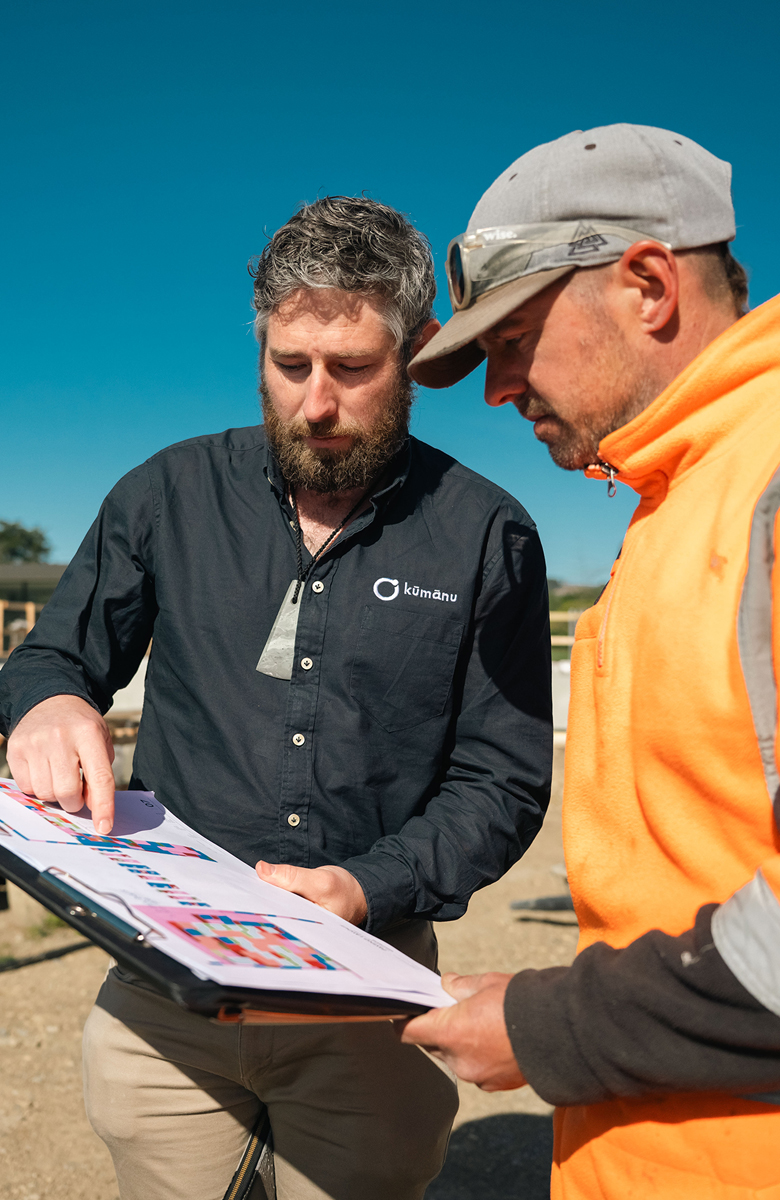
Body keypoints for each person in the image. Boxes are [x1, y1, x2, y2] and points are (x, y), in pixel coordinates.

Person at [0, 195, 553, 1200]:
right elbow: (51, 658)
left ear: (419, 355)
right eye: (289, 365)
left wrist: (366, 885)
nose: (315, 403)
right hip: (164, 996)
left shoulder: (487, 535)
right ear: (260, 345)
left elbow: (500, 784)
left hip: (363, 994)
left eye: (352, 369)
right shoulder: (163, 494)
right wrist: (46, 704)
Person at [402, 125, 780, 1199]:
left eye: (512, 337)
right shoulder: (676, 503)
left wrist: (546, 1023)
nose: (496, 389)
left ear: (649, 284)